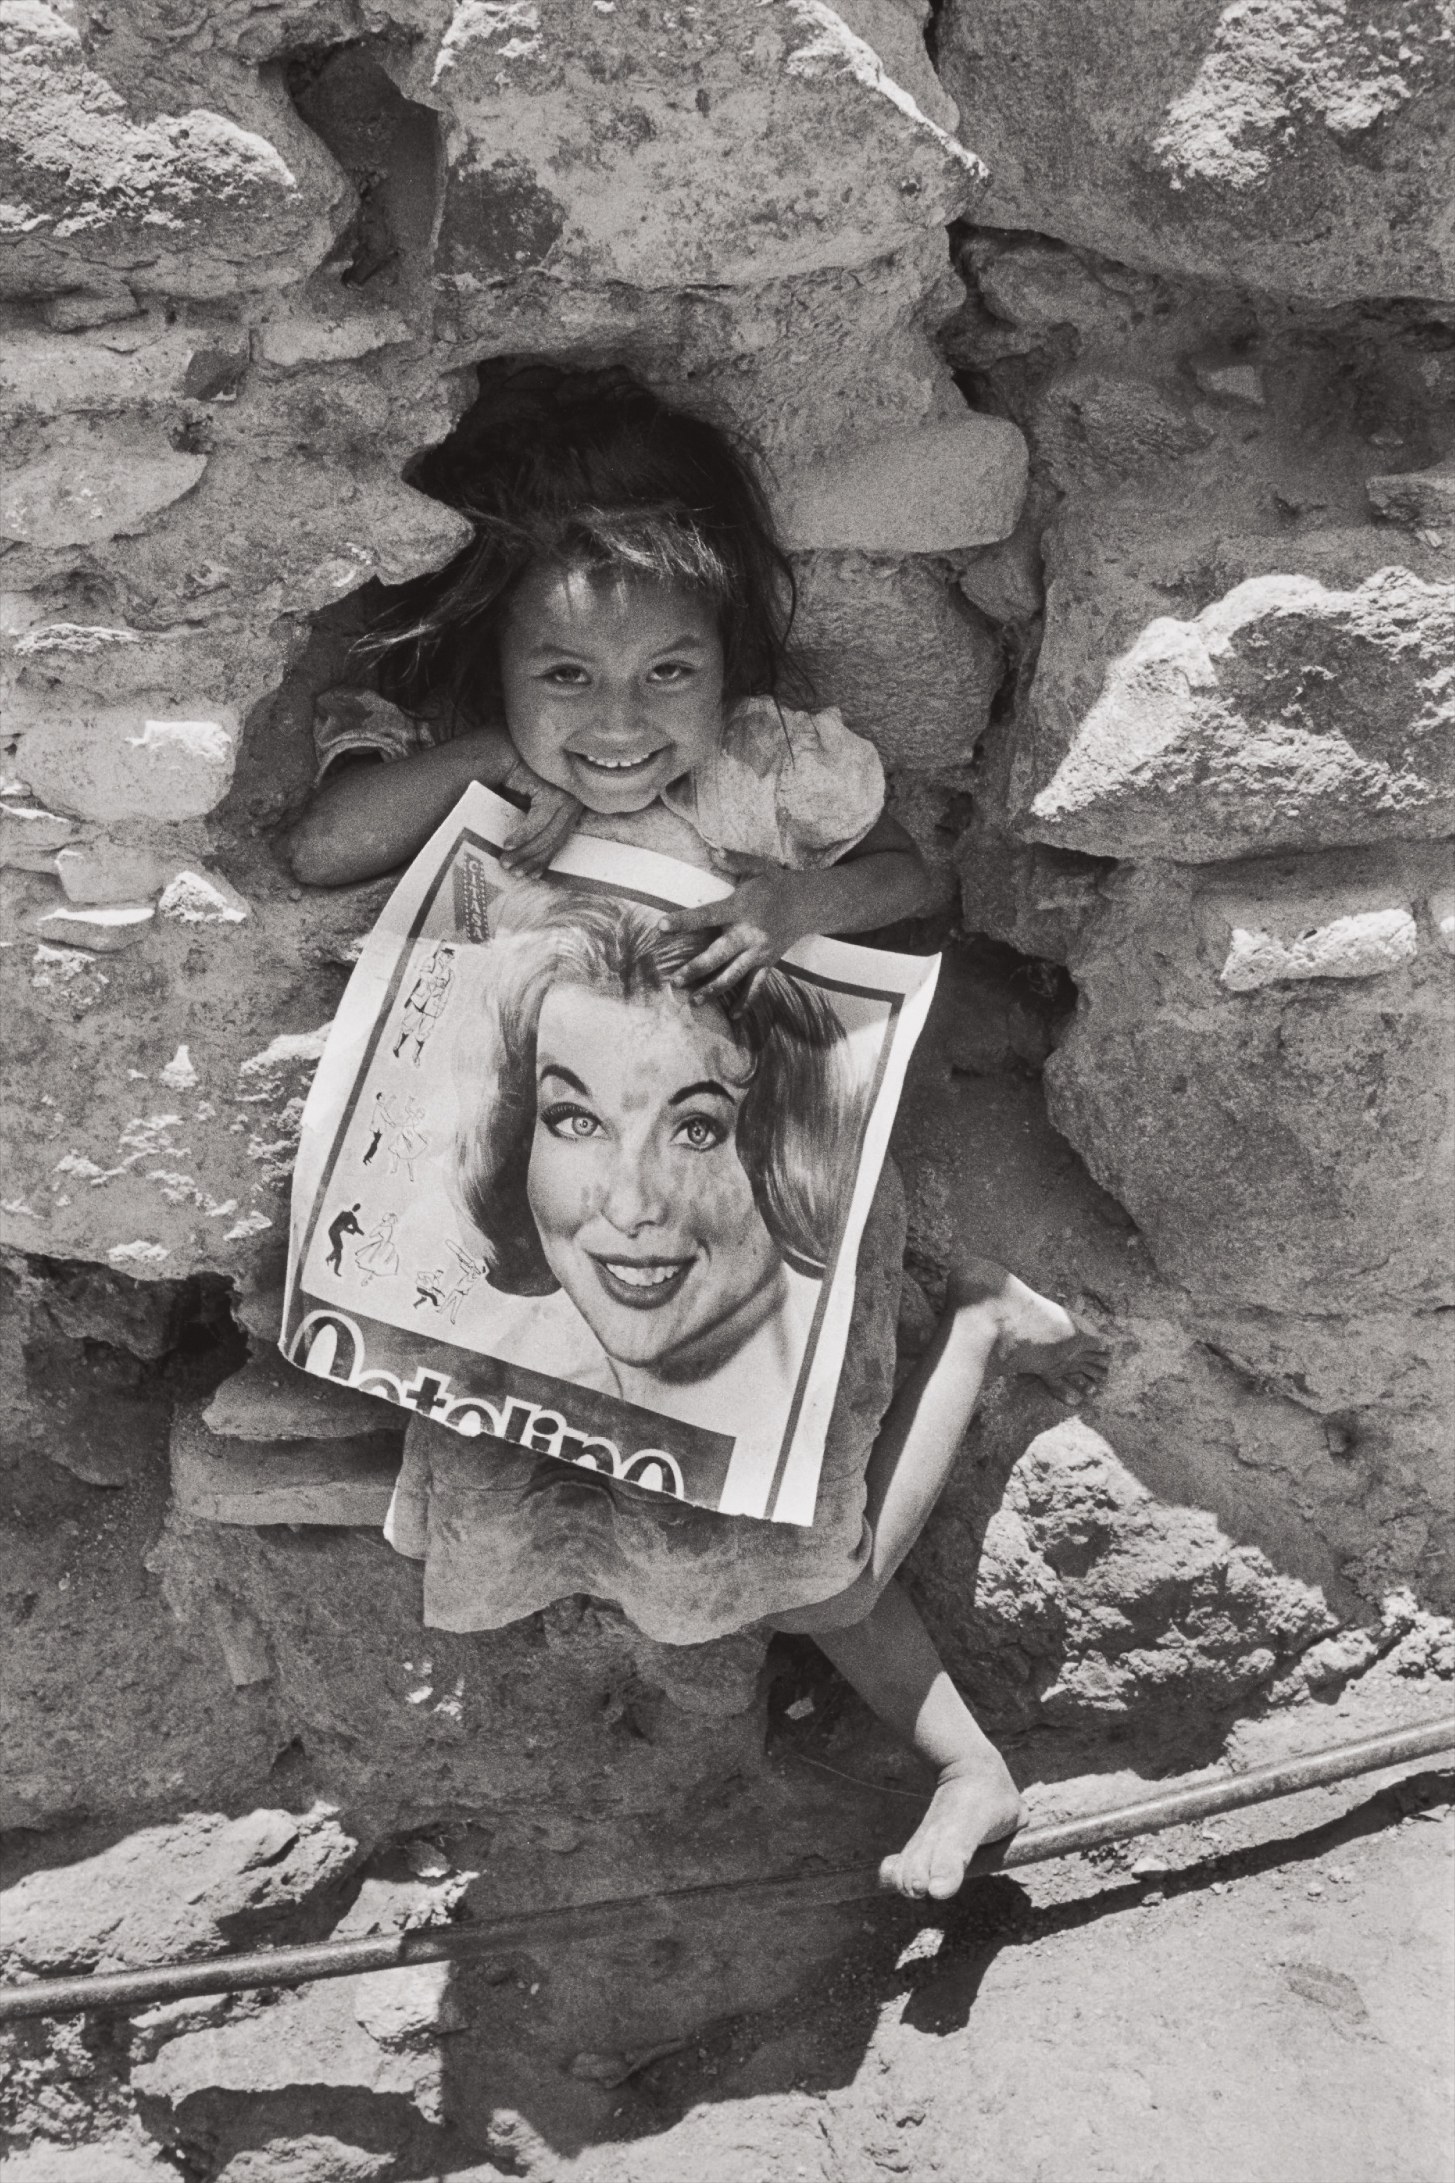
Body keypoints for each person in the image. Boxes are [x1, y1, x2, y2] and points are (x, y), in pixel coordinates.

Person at [287, 366, 1110, 1900]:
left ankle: (965, 1726)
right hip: (565, 1256)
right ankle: (883, 1730)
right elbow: (321, 842)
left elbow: (920, 893)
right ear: (501, 662)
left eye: (668, 672)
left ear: (726, 665)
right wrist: (482, 761)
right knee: (612, 1512)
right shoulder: (470, 762)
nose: (617, 719)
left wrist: (794, 902)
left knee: (816, 1560)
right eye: (566, 678)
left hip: (747, 1242)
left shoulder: (767, 777)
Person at [446, 883, 861, 1466]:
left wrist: (805, 904)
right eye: (577, 1121)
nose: (631, 1205)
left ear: (785, 1141)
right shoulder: (501, 1388)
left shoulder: (823, 1416)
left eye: (697, 1129)